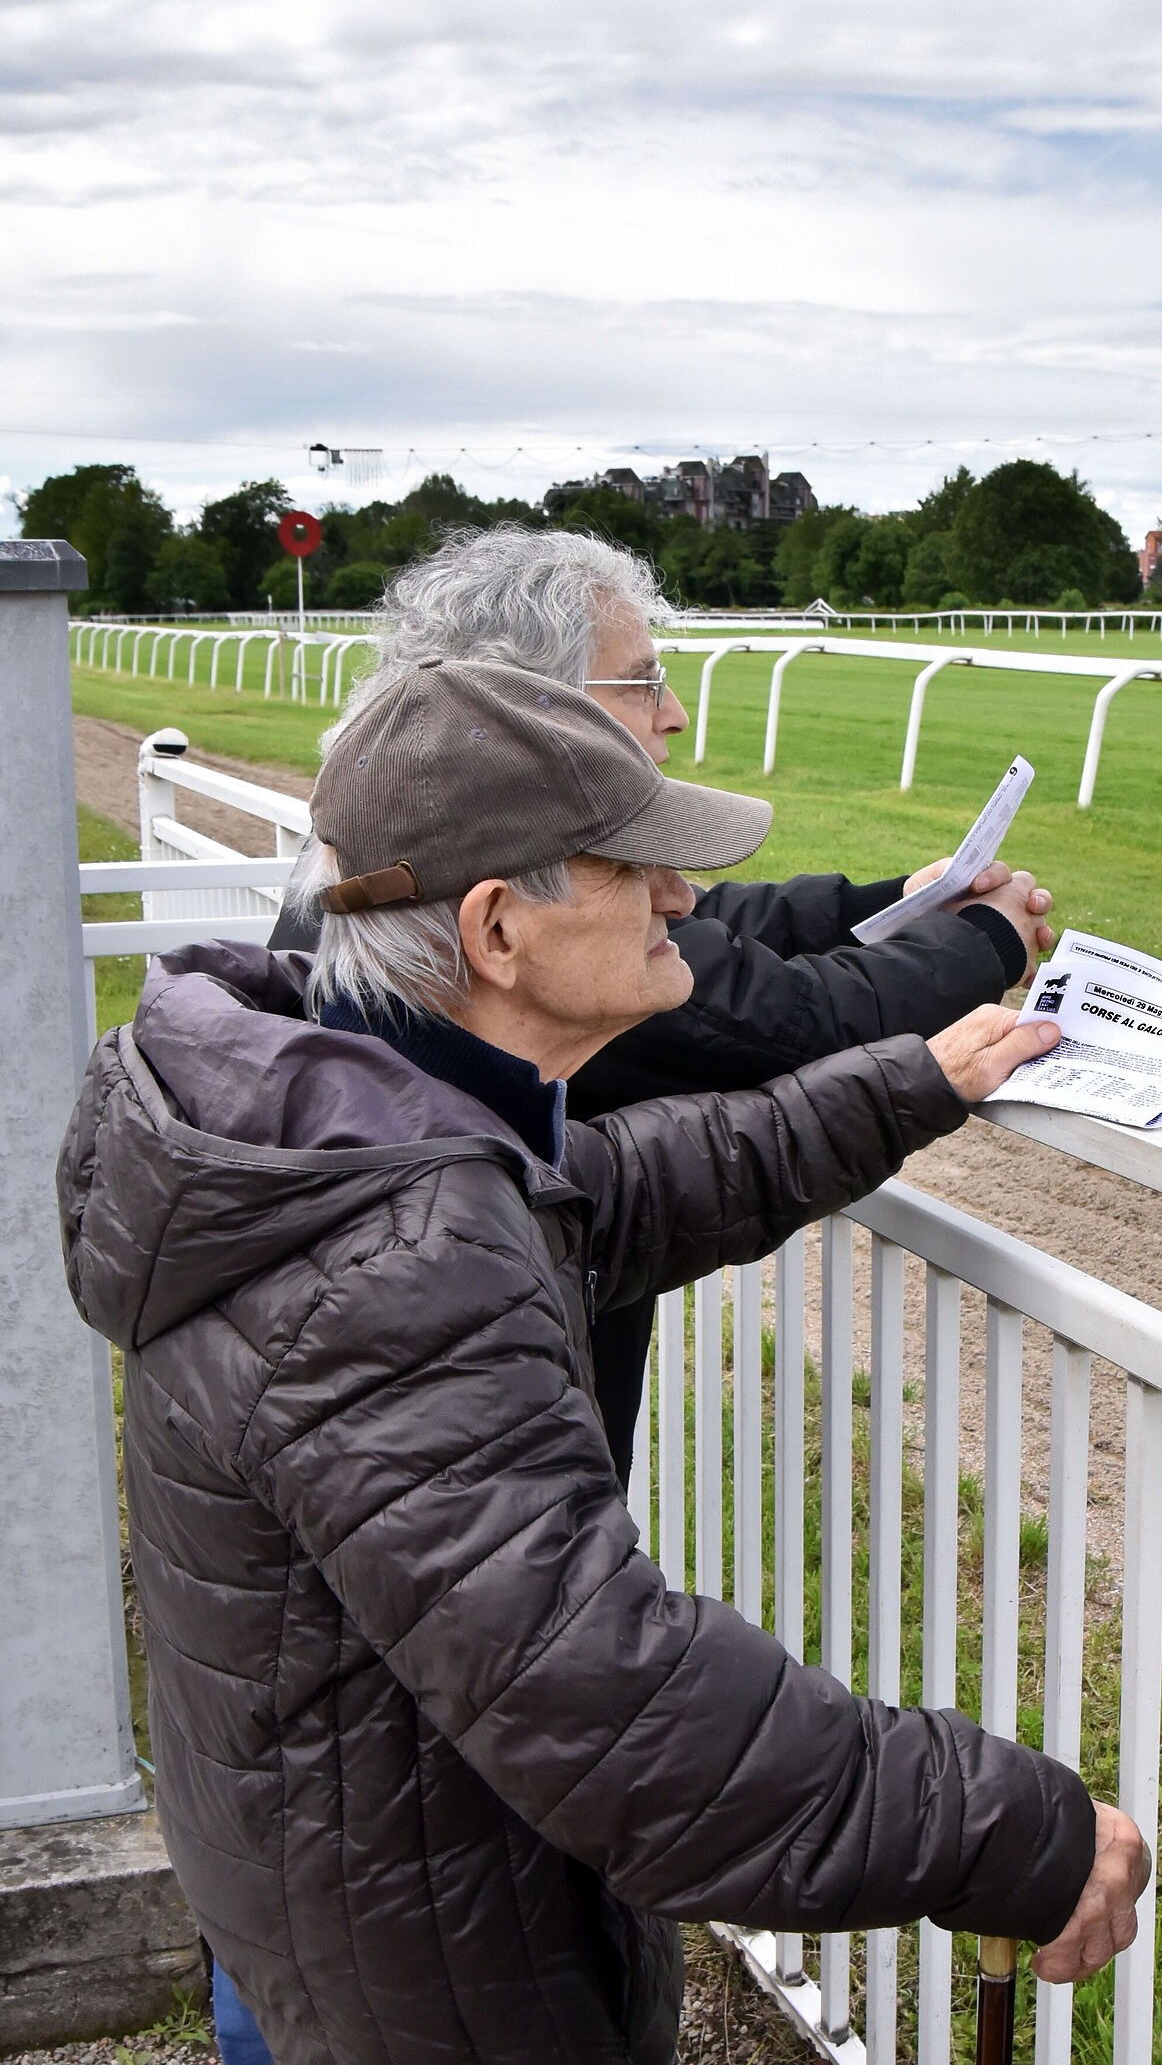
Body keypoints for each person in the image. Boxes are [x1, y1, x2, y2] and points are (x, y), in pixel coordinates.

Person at [62, 667, 1151, 2065]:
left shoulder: (362, 1114)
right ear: (498, 930)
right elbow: (612, 1701)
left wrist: (907, 1083)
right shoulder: (394, 1247)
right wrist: (1011, 1830)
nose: (681, 897)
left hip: (358, 1883)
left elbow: (604, 1196)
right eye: (637, 866)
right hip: (456, 1994)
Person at [268, 525, 1057, 1474]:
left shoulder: (394, 884)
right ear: (532, 704)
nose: (673, 712)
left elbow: (663, 1179)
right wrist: (981, 943)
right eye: (642, 680)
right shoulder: (431, 1253)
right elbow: (775, 1022)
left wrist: (890, 914)